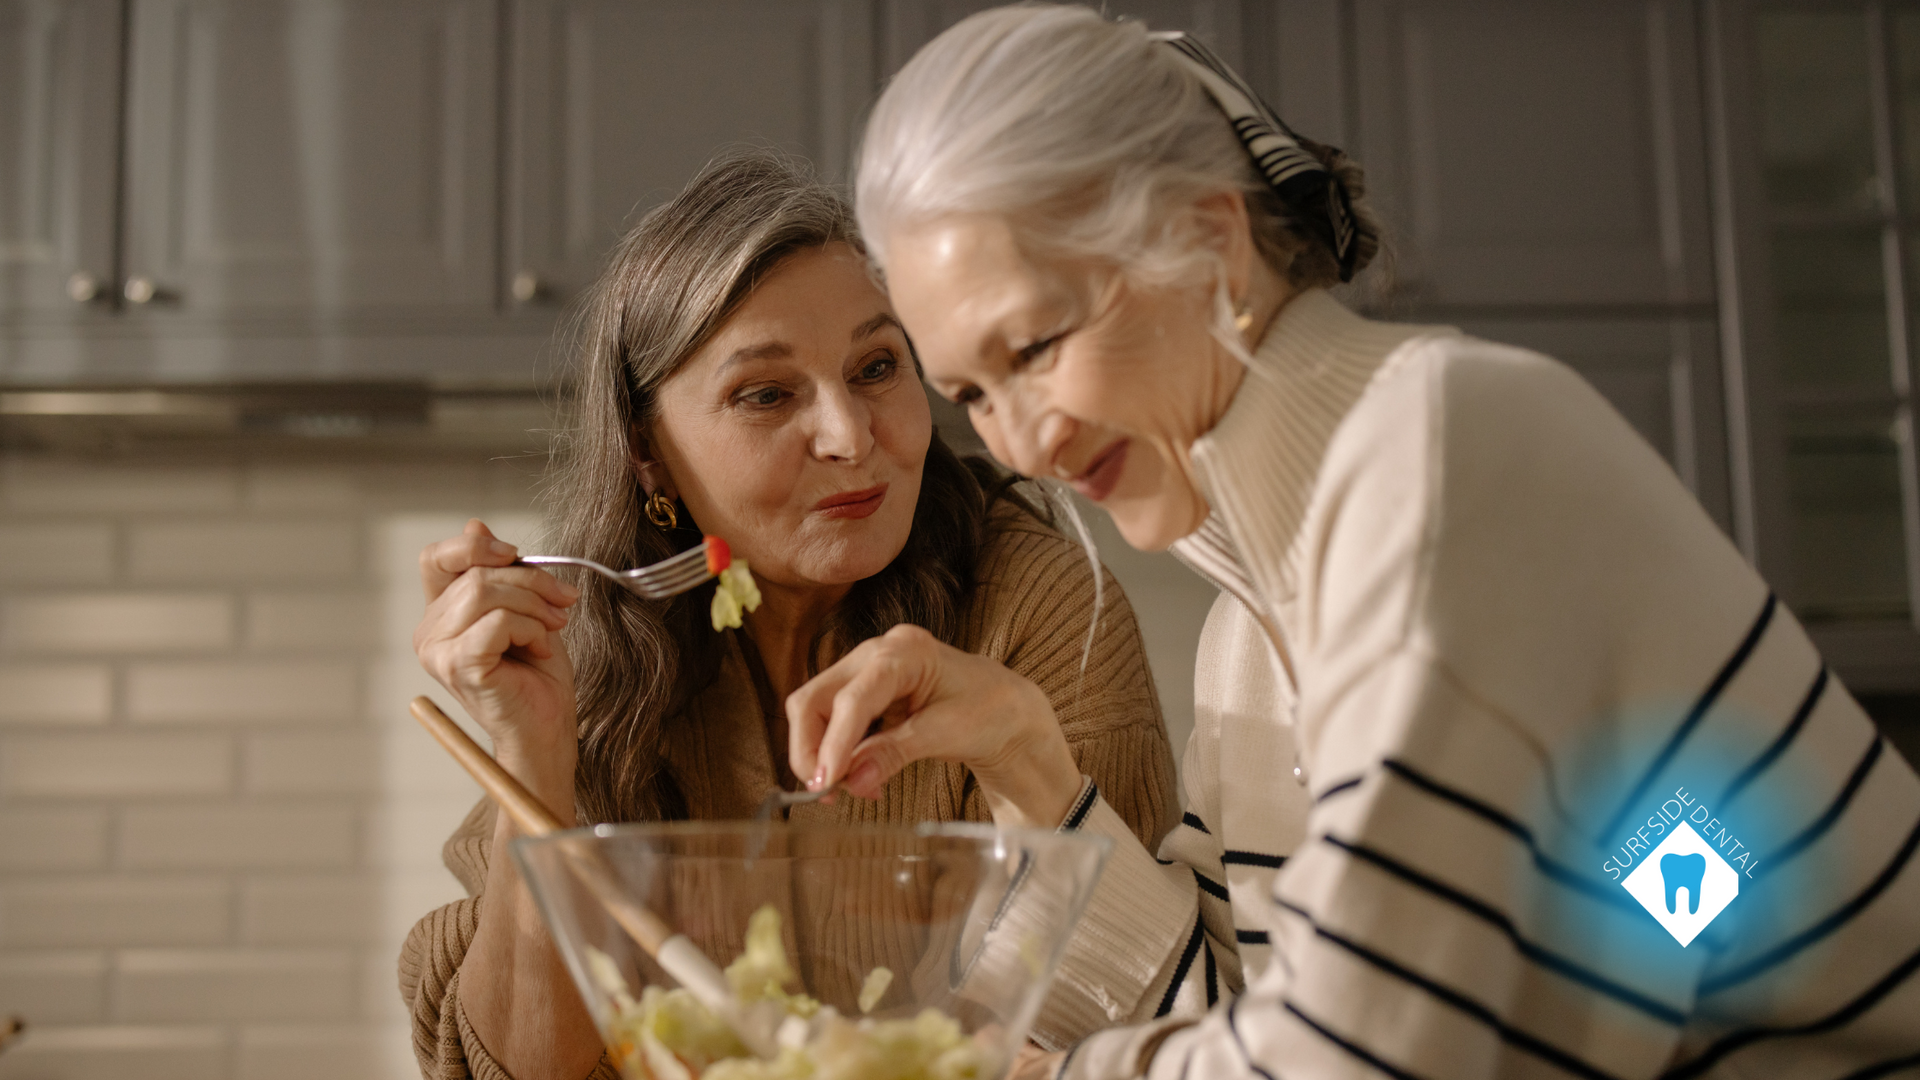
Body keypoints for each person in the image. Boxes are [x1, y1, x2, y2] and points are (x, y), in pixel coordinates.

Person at [787, 7, 1920, 1079]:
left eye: (1034, 346)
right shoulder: (1253, 630)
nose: (1024, 444)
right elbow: (1253, 1018)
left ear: (1208, 241)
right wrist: (1025, 756)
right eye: (973, 393)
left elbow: (1359, 1056)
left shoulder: (1443, 450)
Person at [398, 150, 1179, 1080]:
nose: (852, 437)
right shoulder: (590, 653)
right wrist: (534, 755)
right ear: (648, 450)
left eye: (878, 367)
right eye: (766, 394)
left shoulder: (1039, 607)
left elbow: (1109, 1024)